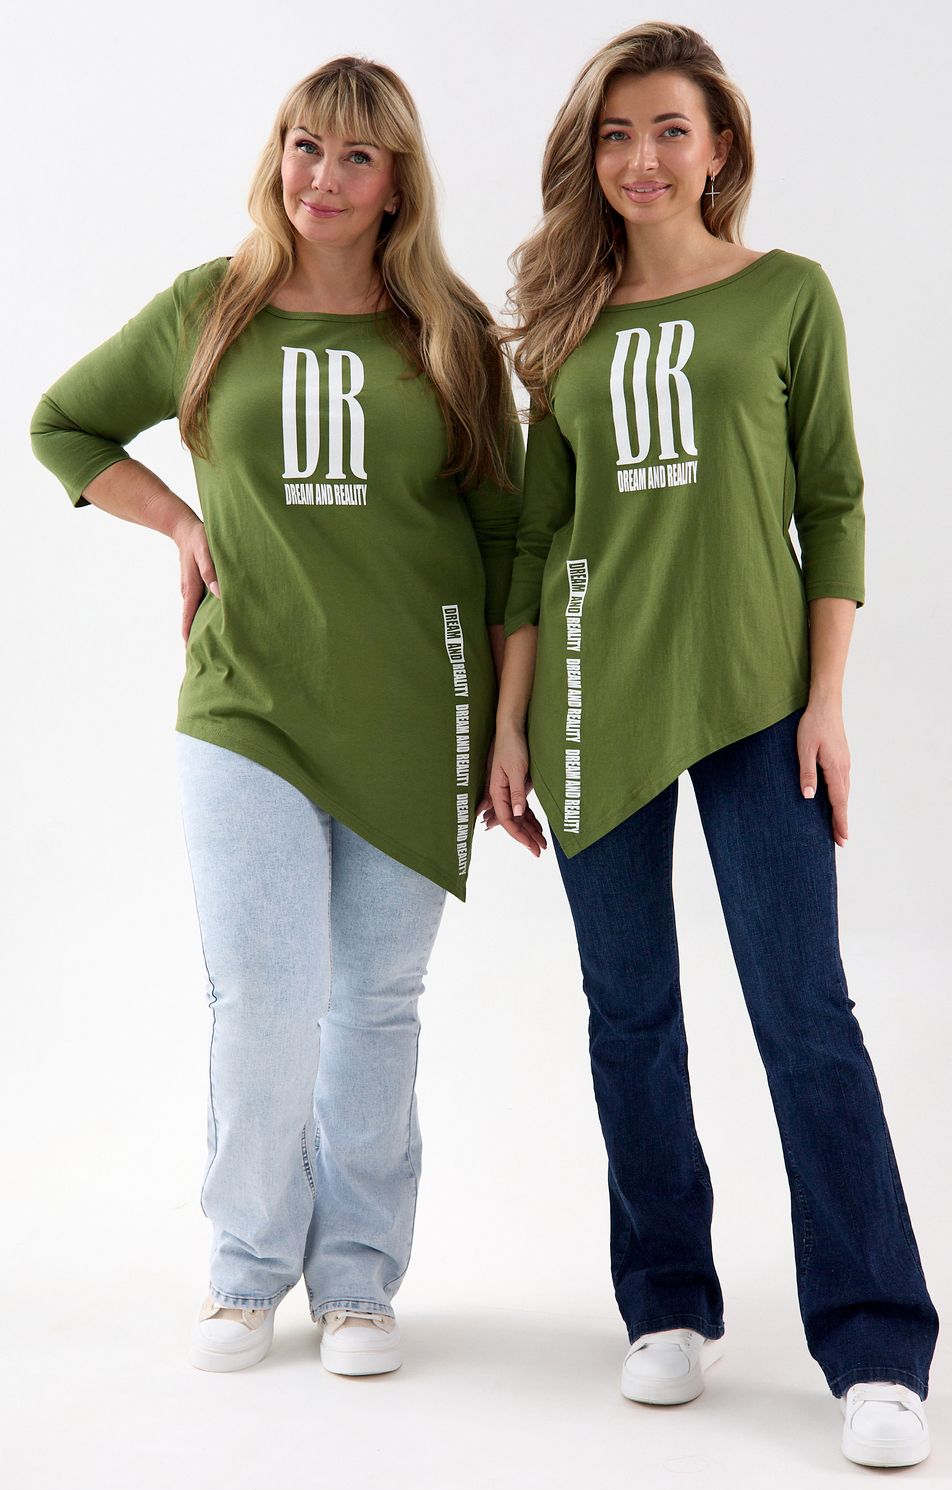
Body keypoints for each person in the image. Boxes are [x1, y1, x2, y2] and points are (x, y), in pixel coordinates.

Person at [30, 55, 522, 1378]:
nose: (324, 177)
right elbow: (65, 424)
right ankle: (245, 1270)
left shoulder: (450, 332)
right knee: (262, 995)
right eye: (306, 145)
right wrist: (179, 523)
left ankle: (357, 1281)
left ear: (398, 180)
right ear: (278, 155)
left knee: (376, 1004)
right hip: (245, 701)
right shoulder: (211, 307)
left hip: (419, 710)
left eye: (357, 155)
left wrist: (509, 728)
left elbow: (509, 542)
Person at [488, 21, 938, 1468]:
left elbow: (835, 502)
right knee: (629, 1015)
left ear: (720, 145)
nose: (642, 159)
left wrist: (828, 699)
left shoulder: (789, 296)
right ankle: (666, 1302)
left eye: (669, 129)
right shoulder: (564, 327)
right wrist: (509, 721)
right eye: (616, 135)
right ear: (590, 156)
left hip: (756, 702)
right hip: (591, 702)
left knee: (805, 1011)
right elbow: (538, 538)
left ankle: (877, 1342)